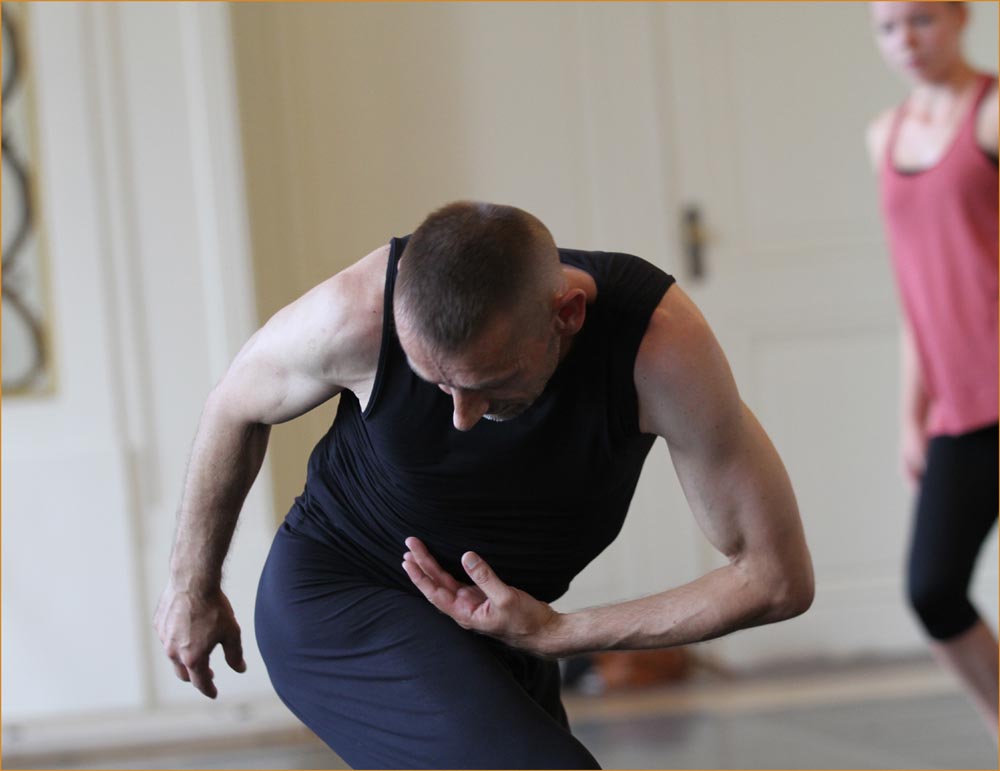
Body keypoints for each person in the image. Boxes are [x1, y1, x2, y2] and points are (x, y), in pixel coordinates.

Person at [154, 201, 814, 769]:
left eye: (489, 384)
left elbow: (775, 578)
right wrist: (191, 585)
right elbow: (233, 406)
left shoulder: (658, 348)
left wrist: (559, 632)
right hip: (343, 597)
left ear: (567, 315)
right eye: (437, 383)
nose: (462, 417)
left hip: (504, 630)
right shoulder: (357, 312)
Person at [866, 1, 999, 739]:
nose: (905, 40)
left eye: (921, 19)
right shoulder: (883, 136)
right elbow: (914, 291)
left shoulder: (994, 114)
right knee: (934, 589)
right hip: (960, 408)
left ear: (959, 16)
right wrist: (910, 417)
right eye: (887, 27)